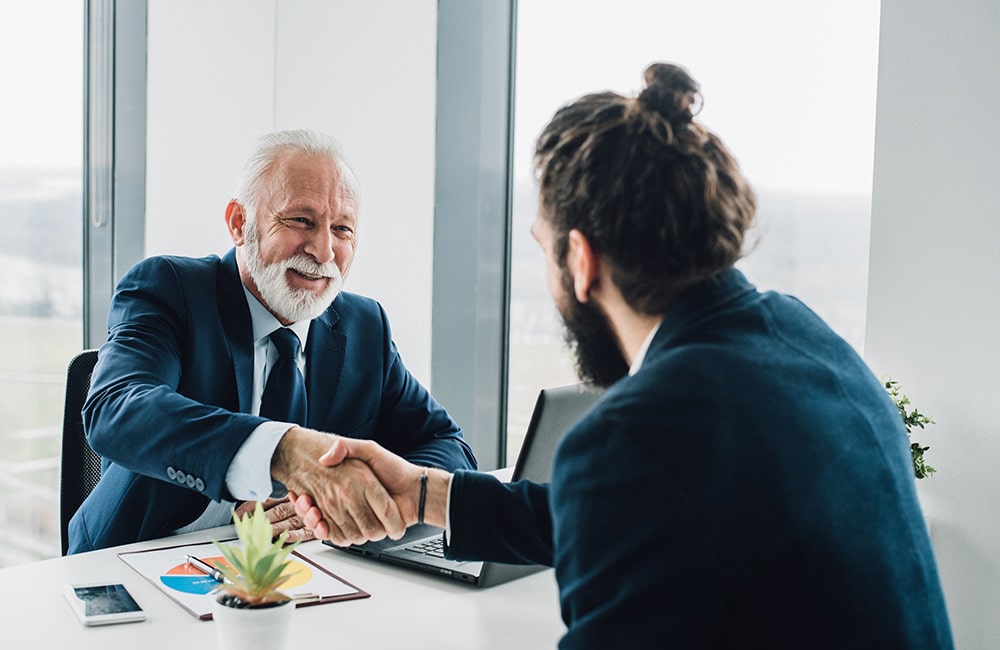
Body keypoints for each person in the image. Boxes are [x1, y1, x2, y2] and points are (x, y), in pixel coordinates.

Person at [293, 64, 954, 648]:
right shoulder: (809, 340)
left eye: (543, 247)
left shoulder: (635, 439)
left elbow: (630, 496)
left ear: (580, 260)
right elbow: (629, 514)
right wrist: (422, 494)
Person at [67, 128, 477, 554]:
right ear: (239, 223)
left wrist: (353, 500)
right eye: (301, 220)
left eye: (342, 229)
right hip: (140, 557)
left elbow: (448, 446)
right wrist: (283, 453)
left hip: (297, 567)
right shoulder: (171, 289)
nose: (323, 251)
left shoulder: (365, 326)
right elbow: (115, 409)